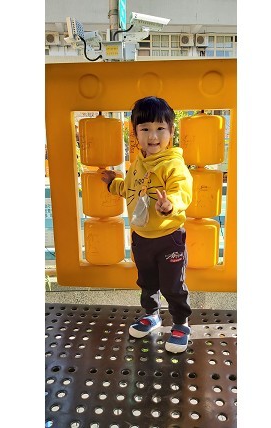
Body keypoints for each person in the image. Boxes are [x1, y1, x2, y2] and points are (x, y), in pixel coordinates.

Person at [101, 96, 193, 354]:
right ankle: (152, 315)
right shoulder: (137, 165)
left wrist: (169, 204)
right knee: (147, 281)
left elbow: (182, 191)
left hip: (169, 237)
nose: (153, 136)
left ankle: (180, 323)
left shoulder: (173, 165)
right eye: (145, 129)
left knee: (173, 285)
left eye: (160, 128)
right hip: (141, 237)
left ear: (171, 132)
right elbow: (130, 189)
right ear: (136, 133)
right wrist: (113, 183)